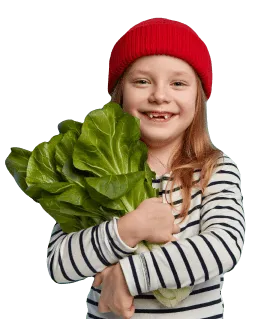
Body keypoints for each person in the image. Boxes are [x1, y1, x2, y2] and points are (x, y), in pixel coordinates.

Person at [46, 16, 246, 318]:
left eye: (178, 83)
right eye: (142, 81)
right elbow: (58, 264)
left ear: (198, 97)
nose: (159, 96)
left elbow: (224, 246)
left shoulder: (213, 169)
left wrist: (128, 275)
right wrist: (128, 229)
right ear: (120, 93)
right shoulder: (91, 172)